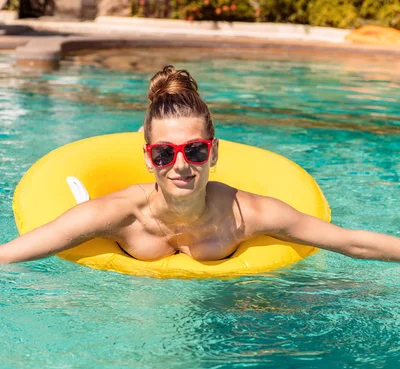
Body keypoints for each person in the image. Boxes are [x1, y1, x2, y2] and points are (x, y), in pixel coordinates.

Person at [1, 65, 400, 265]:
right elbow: (18, 252)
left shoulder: (249, 214)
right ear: (148, 158)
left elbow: (350, 242)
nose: (180, 165)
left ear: (213, 152)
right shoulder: (119, 214)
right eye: (163, 153)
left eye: (193, 150)